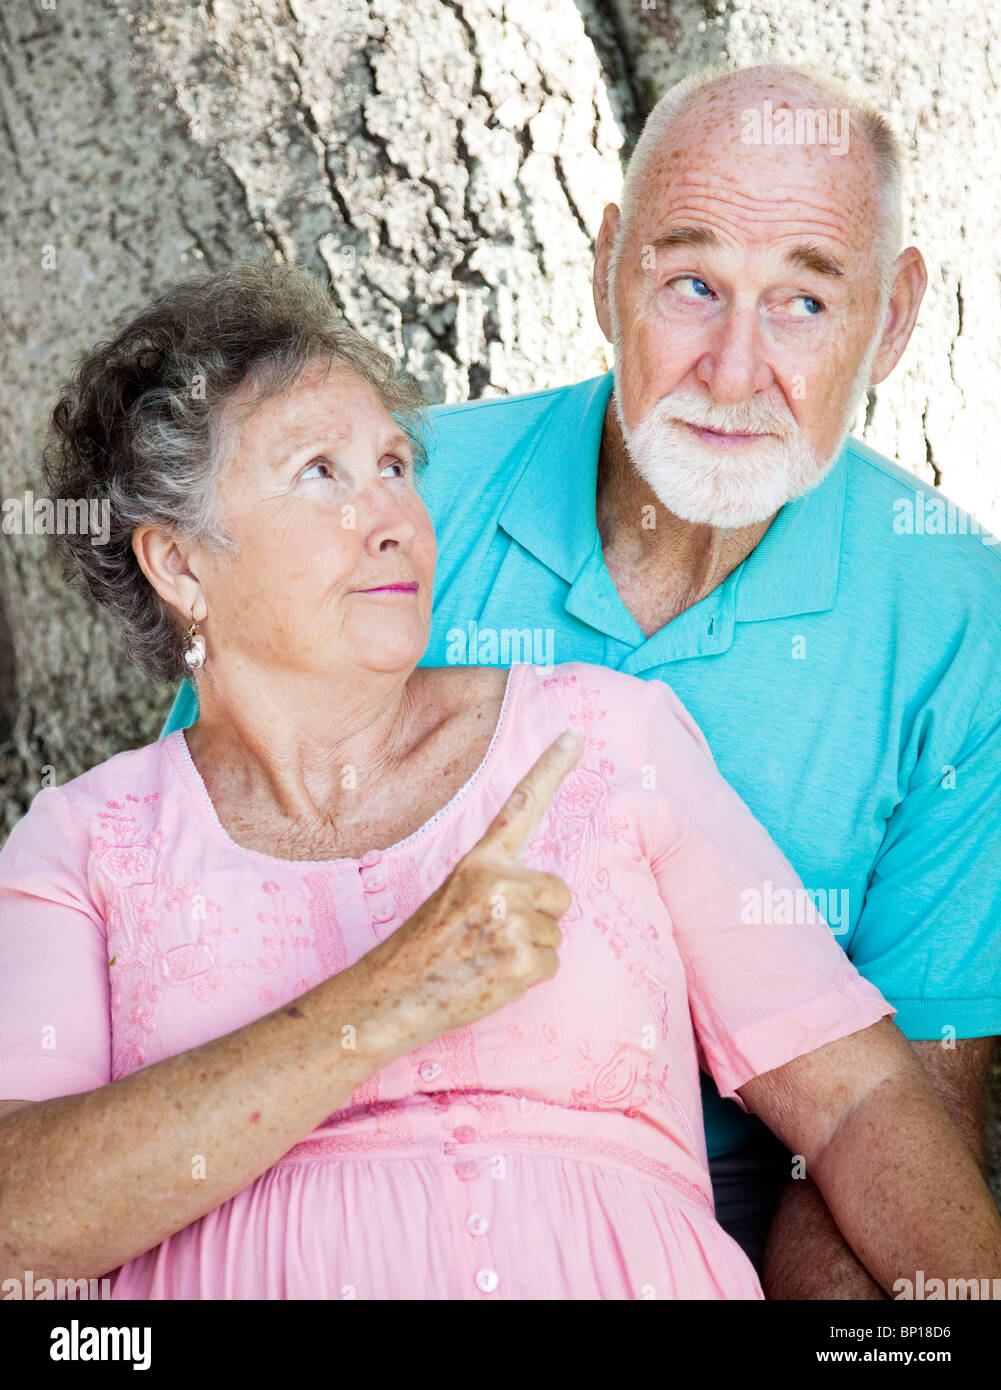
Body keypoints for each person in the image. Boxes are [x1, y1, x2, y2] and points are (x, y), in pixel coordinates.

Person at [161, 63, 1001, 1296]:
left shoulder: (951, 613)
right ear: (608, 267)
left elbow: (895, 1122)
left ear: (892, 316)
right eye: (690, 283)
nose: (729, 367)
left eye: (804, 303)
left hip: (728, 1228)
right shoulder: (393, 510)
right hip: (333, 1190)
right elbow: (184, 948)